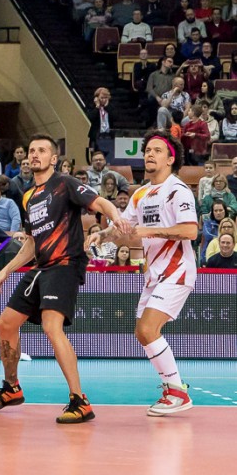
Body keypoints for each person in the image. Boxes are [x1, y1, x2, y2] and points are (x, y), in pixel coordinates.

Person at [0, 134, 132, 424]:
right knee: (5, 324)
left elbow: (100, 202)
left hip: (65, 265)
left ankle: (79, 400)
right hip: (41, 267)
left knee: (52, 327)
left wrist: (116, 216)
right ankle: (11, 388)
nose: (34, 154)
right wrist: (5, 271)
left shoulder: (65, 183)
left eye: (41, 150)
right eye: (31, 150)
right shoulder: (28, 196)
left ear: (53, 158)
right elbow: (32, 242)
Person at [87, 131, 198, 416]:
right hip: (154, 274)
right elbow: (122, 230)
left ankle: (177, 392)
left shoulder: (178, 190)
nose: (150, 154)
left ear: (170, 159)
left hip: (177, 270)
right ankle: (173, 388)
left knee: (149, 329)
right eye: (147, 150)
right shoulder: (140, 194)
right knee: (142, 333)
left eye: (157, 150)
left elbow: (189, 230)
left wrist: (147, 231)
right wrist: (103, 235)